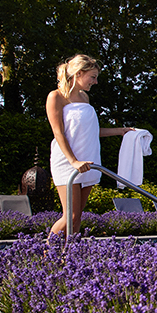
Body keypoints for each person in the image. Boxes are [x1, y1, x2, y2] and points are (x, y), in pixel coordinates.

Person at [48, 55, 133, 236]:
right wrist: (73, 161)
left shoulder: (84, 97)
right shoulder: (56, 97)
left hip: (88, 160)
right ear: (79, 74)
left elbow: (90, 131)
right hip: (68, 162)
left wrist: (120, 131)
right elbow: (58, 132)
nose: (95, 82)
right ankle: (47, 255)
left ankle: (68, 257)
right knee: (69, 216)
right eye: (92, 77)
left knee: (77, 217)